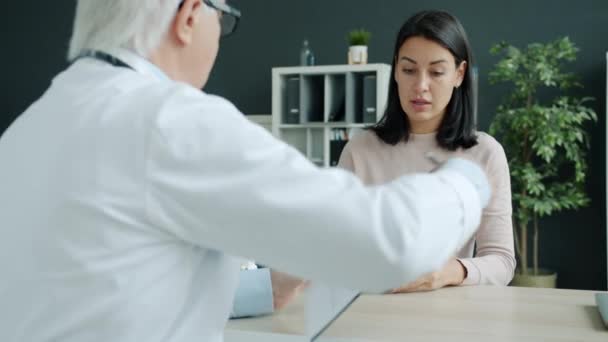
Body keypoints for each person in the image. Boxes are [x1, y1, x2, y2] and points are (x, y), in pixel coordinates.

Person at [0, 1, 490, 341]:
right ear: (190, 16)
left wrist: (270, 285)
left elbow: (118, 281)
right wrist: (468, 181)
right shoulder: (172, 119)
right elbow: (390, 242)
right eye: (224, 18)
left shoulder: (26, 129)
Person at [338, 10, 516, 292]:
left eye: (436, 72)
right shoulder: (360, 149)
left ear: (459, 74)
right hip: (370, 307)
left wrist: (451, 271)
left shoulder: (485, 153)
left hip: (448, 317)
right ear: (396, 70)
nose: (420, 86)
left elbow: (502, 261)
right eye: (409, 70)